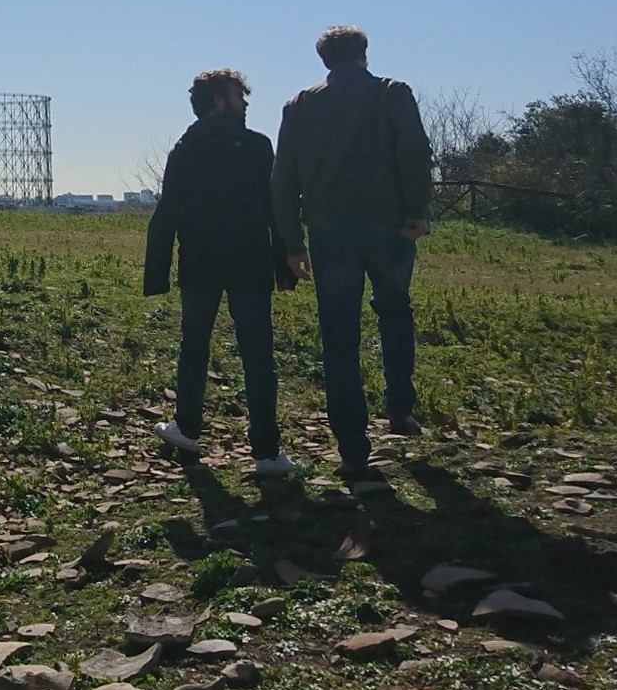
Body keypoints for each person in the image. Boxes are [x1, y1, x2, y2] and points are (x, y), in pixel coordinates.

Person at [272, 25, 434, 477]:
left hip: (328, 231)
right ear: (364, 53)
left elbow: (282, 179)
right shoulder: (392, 92)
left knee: (339, 335)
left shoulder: (299, 105)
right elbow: (415, 151)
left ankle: (352, 447)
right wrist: (417, 209)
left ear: (324, 60)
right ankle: (400, 407)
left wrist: (291, 243)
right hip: (391, 227)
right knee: (395, 308)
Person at [145, 69, 297, 479]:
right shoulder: (257, 146)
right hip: (249, 261)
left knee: (194, 345)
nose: (245, 104)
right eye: (238, 96)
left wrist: (156, 272)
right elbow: (275, 208)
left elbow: (168, 209)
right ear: (219, 100)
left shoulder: (186, 146)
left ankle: (187, 428)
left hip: (200, 261)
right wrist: (286, 263)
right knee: (258, 355)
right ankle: (266, 451)